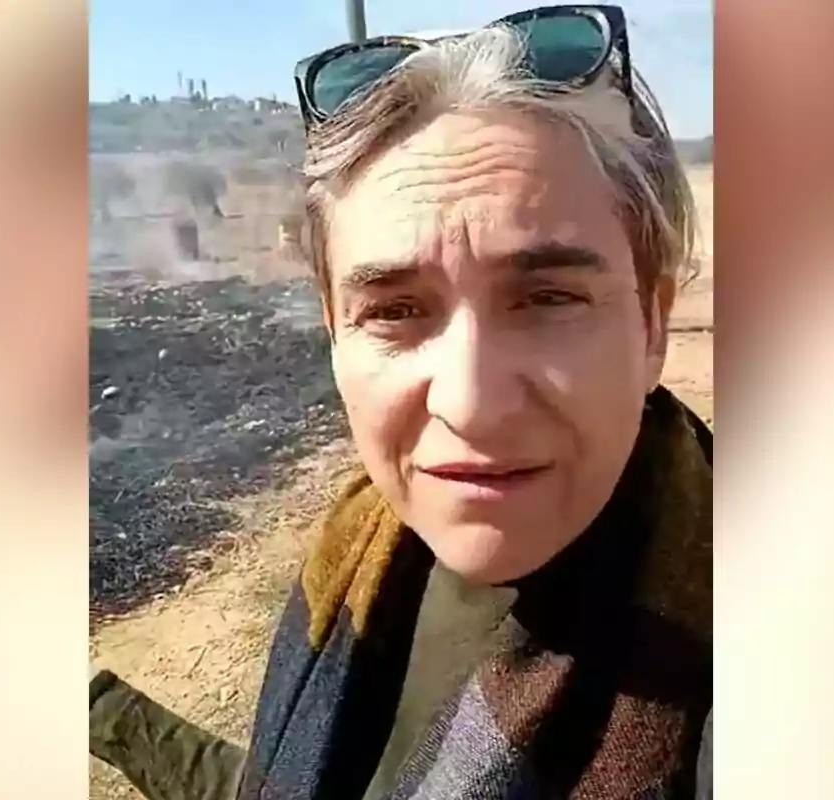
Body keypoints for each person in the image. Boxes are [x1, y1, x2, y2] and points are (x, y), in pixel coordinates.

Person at [90, 5, 712, 799]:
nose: (472, 405)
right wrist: (103, 710)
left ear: (652, 322)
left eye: (549, 297)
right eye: (392, 310)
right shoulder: (356, 562)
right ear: (335, 335)